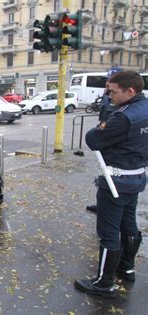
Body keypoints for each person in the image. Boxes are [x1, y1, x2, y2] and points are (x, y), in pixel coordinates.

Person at [75, 70, 148, 298]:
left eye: (113, 92)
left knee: (108, 232)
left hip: (115, 180)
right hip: (136, 177)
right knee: (129, 225)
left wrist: (104, 130)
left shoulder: (123, 116)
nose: (110, 96)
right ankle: (126, 268)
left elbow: (93, 139)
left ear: (130, 91)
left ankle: (104, 283)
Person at [86, 66, 123, 213]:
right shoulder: (108, 93)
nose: (108, 82)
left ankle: (110, 204)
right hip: (104, 133)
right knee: (104, 170)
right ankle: (102, 202)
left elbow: (115, 116)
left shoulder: (119, 96)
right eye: (108, 79)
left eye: (111, 79)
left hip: (110, 135)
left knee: (112, 173)